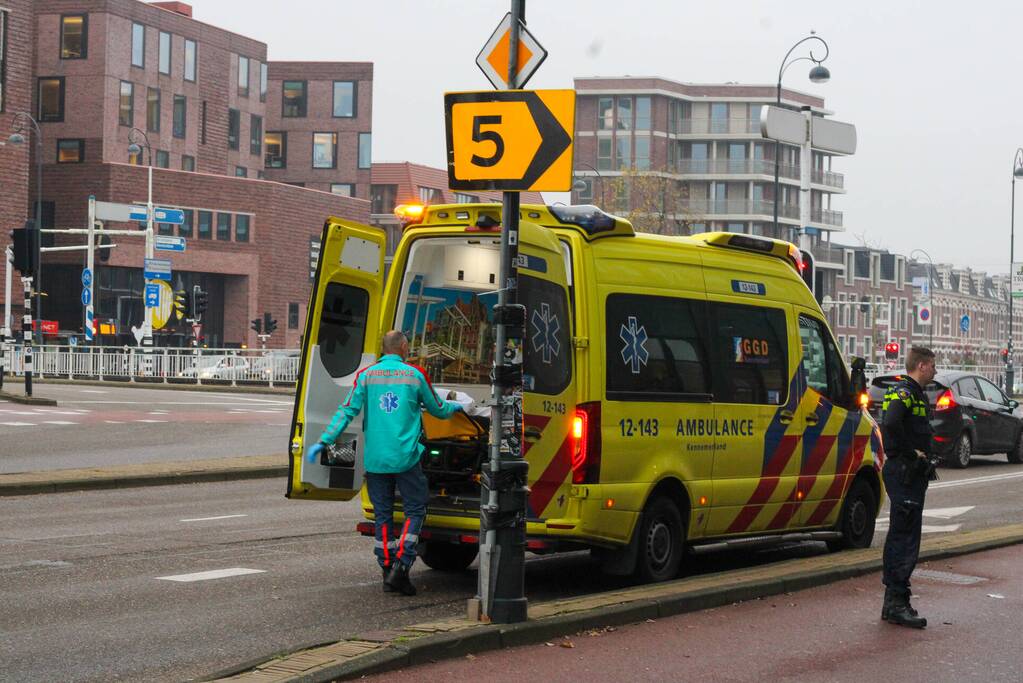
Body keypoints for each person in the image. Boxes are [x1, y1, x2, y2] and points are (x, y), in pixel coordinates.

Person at [307, 330, 461, 596]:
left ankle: (386, 567)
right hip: (405, 457)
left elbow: (347, 411)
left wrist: (325, 440)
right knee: (416, 509)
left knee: (383, 514)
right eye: (407, 346)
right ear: (403, 346)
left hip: (376, 458)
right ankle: (401, 566)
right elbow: (437, 409)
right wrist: (456, 408)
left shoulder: (366, 376)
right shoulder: (415, 375)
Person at [880, 345, 937, 629]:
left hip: (904, 472)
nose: (935, 371)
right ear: (922, 365)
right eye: (933, 366)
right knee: (904, 538)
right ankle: (896, 604)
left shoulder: (906, 391)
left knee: (900, 534)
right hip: (905, 472)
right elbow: (891, 423)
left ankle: (894, 601)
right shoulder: (907, 392)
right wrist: (912, 453)